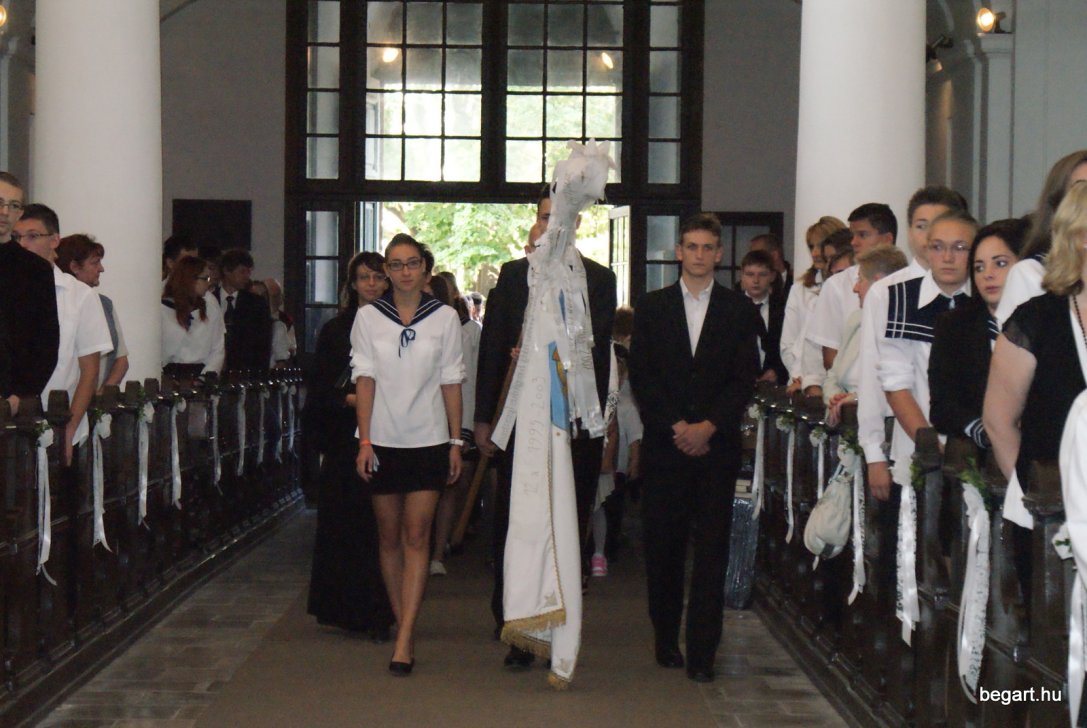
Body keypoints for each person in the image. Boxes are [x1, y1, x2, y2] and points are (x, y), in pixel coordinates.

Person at [474, 186, 616, 670]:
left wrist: (548, 359)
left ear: (575, 224)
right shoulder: (515, 276)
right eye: (541, 216)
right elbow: (493, 348)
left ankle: (560, 619)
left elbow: (593, 352)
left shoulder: (599, 279)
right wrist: (484, 419)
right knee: (516, 521)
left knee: (567, 523)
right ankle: (515, 623)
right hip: (521, 424)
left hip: (573, 424)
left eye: (557, 217)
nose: (548, 224)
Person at [628, 212, 759, 683]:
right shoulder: (653, 306)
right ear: (679, 252)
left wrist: (709, 426)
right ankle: (666, 637)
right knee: (664, 548)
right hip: (667, 447)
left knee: (712, 552)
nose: (699, 255)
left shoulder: (738, 310)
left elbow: (743, 377)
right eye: (692, 246)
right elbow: (643, 376)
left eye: (708, 247)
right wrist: (678, 426)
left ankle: (704, 650)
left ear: (719, 255)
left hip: (716, 448)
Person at [352, 234, 464, 676]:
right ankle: (404, 623)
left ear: (425, 269)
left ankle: (404, 637)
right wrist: (364, 441)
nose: (404, 272)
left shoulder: (445, 318)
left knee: (418, 537)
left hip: (429, 439)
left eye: (411, 263)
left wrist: (456, 441)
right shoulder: (368, 317)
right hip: (382, 439)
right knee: (389, 537)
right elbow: (364, 379)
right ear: (386, 271)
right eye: (395, 265)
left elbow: (451, 380)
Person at [856, 186, 967, 499]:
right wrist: (874, 453)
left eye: (939, 224)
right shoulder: (888, 292)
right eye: (921, 226)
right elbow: (872, 375)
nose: (929, 235)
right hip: (910, 443)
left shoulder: (974, 289)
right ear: (908, 232)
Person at [306, 251, 394, 641]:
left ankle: (380, 608)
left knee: (381, 526)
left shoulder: (398, 324)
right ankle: (343, 607)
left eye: (377, 277)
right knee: (346, 523)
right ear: (353, 284)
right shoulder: (335, 330)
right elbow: (321, 388)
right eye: (364, 278)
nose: (371, 284)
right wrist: (351, 399)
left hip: (390, 432)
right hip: (345, 436)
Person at [985, 181, 1087, 506]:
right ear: (1080, 238)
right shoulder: (1037, 319)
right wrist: (1031, 499)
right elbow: (998, 421)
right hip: (1051, 507)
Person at [13, 204, 112, 465]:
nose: (22, 244)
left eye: (32, 236)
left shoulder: (80, 296)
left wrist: (69, 430)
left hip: (58, 419)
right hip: (11, 420)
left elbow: (89, 372)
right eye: (16, 237)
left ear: (54, 240)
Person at [929, 218, 1027, 447]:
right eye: (979, 267)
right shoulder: (954, 325)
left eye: (1000, 263)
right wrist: (985, 431)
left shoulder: (1050, 324)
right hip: (978, 454)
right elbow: (942, 407)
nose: (988, 274)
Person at [427, 272, 480, 577]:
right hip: (423, 419)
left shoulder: (464, 333)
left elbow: (466, 382)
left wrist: (464, 430)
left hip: (452, 419)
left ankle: (438, 551)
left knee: (448, 488)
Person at [806, 203, 897, 372]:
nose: (854, 242)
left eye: (862, 235)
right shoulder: (837, 285)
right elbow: (830, 358)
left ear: (887, 239)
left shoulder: (910, 283)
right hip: (848, 384)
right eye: (852, 235)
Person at [823, 245, 907, 426]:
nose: (855, 288)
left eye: (860, 280)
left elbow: (901, 386)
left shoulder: (905, 327)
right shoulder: (856, 320)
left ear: (878, 283)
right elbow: (833, 374)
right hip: (847, 420)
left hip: (890, 424)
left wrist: (857, 399)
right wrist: (835, 399)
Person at [0, 172, 61, 415]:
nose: (5, 212)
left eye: (13, 205)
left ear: (19, 213)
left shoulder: (36, 270)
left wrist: (20, 395)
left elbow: (46, 343)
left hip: (12, 402)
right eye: (0, 202)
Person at [780, 216, 845, 394]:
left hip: (839, 383)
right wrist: (801, 376)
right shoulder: (799, 289)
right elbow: (788, 343)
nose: (815, 253)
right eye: (811, 247)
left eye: (820, 246)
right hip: (800, 383)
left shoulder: (851, 286)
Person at [56, 234, 129, 389]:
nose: (101, 269)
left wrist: (103, 392)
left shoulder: (106, 304)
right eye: (95, 263)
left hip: (99, 396)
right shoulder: (57, 303)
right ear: (75, 267)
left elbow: (121, 360)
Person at [161, 256, 225, 374]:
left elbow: (218, 349)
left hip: (201, 374)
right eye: (205, 278)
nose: (209, 283)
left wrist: (205, 377)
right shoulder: (162, 310)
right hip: (168, 375)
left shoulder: (211, 309)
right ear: (190, 280)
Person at [213, 248, 272, 373]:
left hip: (245, 372)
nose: (247, 276)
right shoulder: (209, 300)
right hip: (213, 369)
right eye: (242, 272)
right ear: (227, 271)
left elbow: (263, 345)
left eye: (249, 272)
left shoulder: (257, 304)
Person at [739, 249, 786, 383]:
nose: (756, 280)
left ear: (772, 276)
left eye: (762, 274)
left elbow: (788, 345)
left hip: (774, 382)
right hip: (739, 381)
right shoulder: (730, 308)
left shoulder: (783, 309)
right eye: (750, 274)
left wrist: (777, 370)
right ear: (742, 276)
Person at [748, 232, 792, 299]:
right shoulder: (746, 285)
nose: (752, 259)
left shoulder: (796, 281)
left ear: (774, 255)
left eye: (757, 255)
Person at [265, 278, 297, 367]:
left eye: (278, 295)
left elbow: (291, 349)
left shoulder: (286, 320)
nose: (276, 300)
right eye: (272, 296)